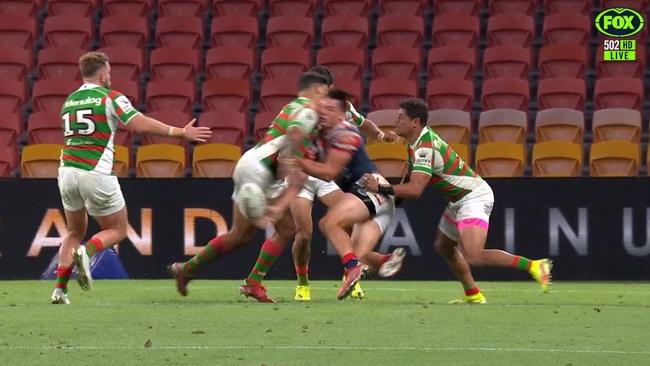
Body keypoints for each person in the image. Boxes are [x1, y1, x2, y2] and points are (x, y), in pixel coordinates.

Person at [51, 51, 212, 304]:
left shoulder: (69, 101)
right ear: (103, 74)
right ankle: (87, 251)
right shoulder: (111, 97)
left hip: (66, 171)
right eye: (110, 73)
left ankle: (60, 290)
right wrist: (180, 132)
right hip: (95, 171)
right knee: (117, 229)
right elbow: (138, 124)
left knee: (73, 230)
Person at [364, 98, 552, 304]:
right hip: (457, 200)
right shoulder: (416, 144)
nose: (396, 121)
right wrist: (383, 206)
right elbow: (407, 181)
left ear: (415, 122)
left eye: (401, 118)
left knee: (474, 254)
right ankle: (473, 294)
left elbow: (416, 190)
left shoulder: (425, 149)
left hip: (474, 197)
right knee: (444, 246)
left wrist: (380, 188)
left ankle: (535, 266)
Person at [168, 72, 330, 303]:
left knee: (241, 235)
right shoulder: (307, 111)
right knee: (285, 229)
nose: (326, 101)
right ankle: (253, 282)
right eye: (325, 95)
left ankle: (187, 269)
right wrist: (290, 168)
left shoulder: (293, 106)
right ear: (318, 90)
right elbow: (295, 135)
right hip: (262, 171)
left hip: (252, 163)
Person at [289, 66, 396, 301]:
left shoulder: (345, 129)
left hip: (368, 188)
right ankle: (376, 263)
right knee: (320, 235)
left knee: (330, 223)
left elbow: (328, 171)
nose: (323, 108)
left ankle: (353, 269)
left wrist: (297, 160)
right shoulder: (311, 114)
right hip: (357, 191)